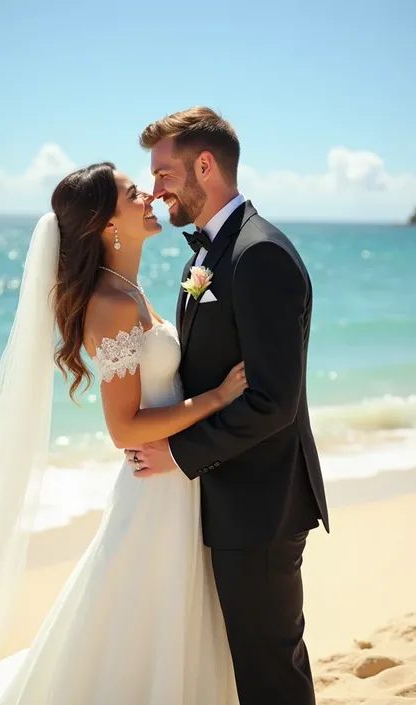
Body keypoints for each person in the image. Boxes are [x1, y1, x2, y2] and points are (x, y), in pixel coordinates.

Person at [0, 161, 244, 705]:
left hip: (175, 475)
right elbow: (123, 426)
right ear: (108, 223)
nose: (151, 195)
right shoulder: (111, 305)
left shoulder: (128, 291)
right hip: (155, 485)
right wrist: (217, 399)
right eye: (134, 193)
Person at [125, 106, 330, 705]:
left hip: (262, 505)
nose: (155, 189)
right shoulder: (207, 255)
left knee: (270, 671)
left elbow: (273, 402)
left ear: (205, 166)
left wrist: (179, 453)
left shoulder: (258, 253)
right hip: (230, 499)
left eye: (163, 174)